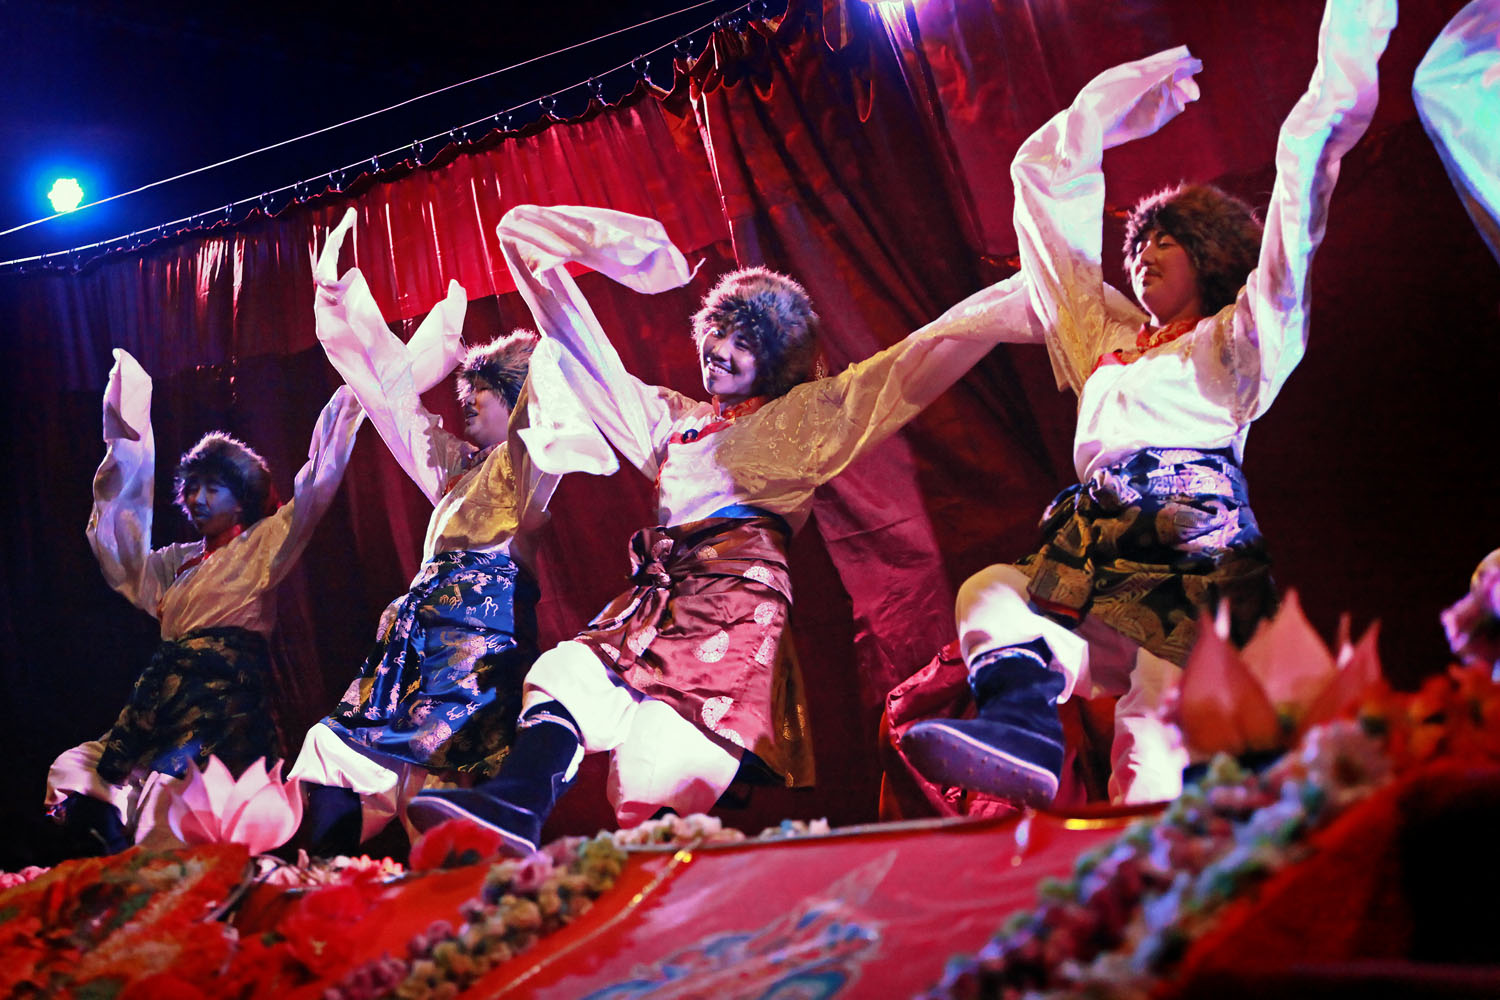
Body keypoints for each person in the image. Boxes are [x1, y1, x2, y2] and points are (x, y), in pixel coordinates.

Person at [405, 203, 1038, 854]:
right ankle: (513, 805)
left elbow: (915, 360)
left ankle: (681, 904)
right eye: (716, 332)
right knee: (565, 674)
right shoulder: (675, 422)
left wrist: (1026, 296)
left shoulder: (802, 422)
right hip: (651, 603)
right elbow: (582, 354)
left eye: (743, 339)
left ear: (775, 355)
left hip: (732, 613)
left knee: (649, 779)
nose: (720, 350)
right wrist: (536, 256)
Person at [903, 0, 1395, 807]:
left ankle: (1174, 898)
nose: (1145, 255)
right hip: (1094, 542)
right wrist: (1102, 114)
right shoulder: (1108, 341)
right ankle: (1023, 724)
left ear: (1211, 253)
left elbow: (1303, 189)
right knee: (989, 593)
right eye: (1138, 245)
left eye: (1167, 239)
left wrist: (1349, 44)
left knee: (1154, 743)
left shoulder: (1239, 343)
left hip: (1188, 542)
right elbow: (1041, 189)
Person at [287, 209, 606, 854]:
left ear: (516, 399)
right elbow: (395, 400)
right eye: (467, 388)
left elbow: (554, 380)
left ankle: (468, 914)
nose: (465, 400)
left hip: (475, 643)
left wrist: (540, 274)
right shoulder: (456, 472)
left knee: (443, 785)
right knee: (336, 751)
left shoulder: (527, 464)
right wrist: (343, 298)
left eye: (483, 391)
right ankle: (323, 891)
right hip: (414, 633)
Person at [45, 349, 364, 853]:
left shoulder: (262, 544)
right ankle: (111, 869)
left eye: (211, 488)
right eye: (191, 488)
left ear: (241, 498)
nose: (196, 498)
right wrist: (127, 440)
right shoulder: (175, 563)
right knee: (80, 768)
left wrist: (356, 392)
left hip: (224, 712)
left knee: (177, 805)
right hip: (164, 703)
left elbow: (316, 482)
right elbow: (122, 553)